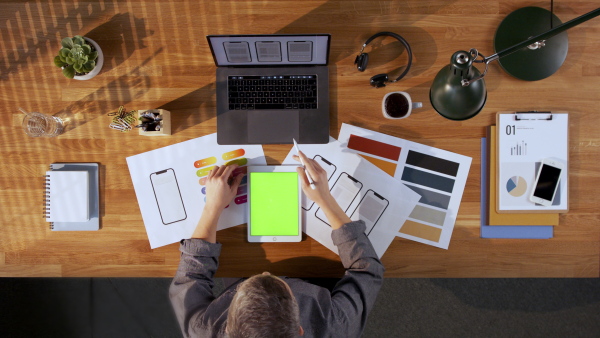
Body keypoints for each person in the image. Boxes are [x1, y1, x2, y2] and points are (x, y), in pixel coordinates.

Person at [169, 151, 384, 338]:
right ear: (300, 330)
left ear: (228, 327)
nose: (266, 272)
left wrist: (212, 207)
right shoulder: (336, 328)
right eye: (273, 280)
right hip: (317, 278)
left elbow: (191, 276)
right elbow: (367, 270)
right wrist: (326, 200)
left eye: (253, 281)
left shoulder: (203, 331)